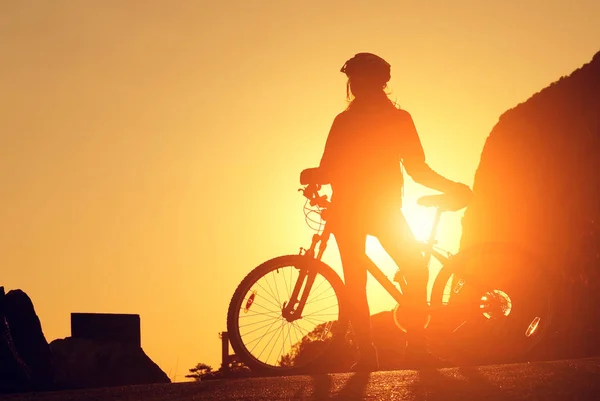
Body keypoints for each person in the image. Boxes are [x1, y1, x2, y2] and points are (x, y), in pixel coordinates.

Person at [301, 52, 472, 371]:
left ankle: (367, 356)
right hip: (382, 209)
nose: (355, 84)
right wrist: (452, 187)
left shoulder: (345, 121)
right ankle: (416, 347)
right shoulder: (397, 118)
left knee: (355, 282)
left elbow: (328, 169)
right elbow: (417, 169)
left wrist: (308, 176)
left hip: (350, 210)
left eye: (356, 79)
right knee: (414, 269)